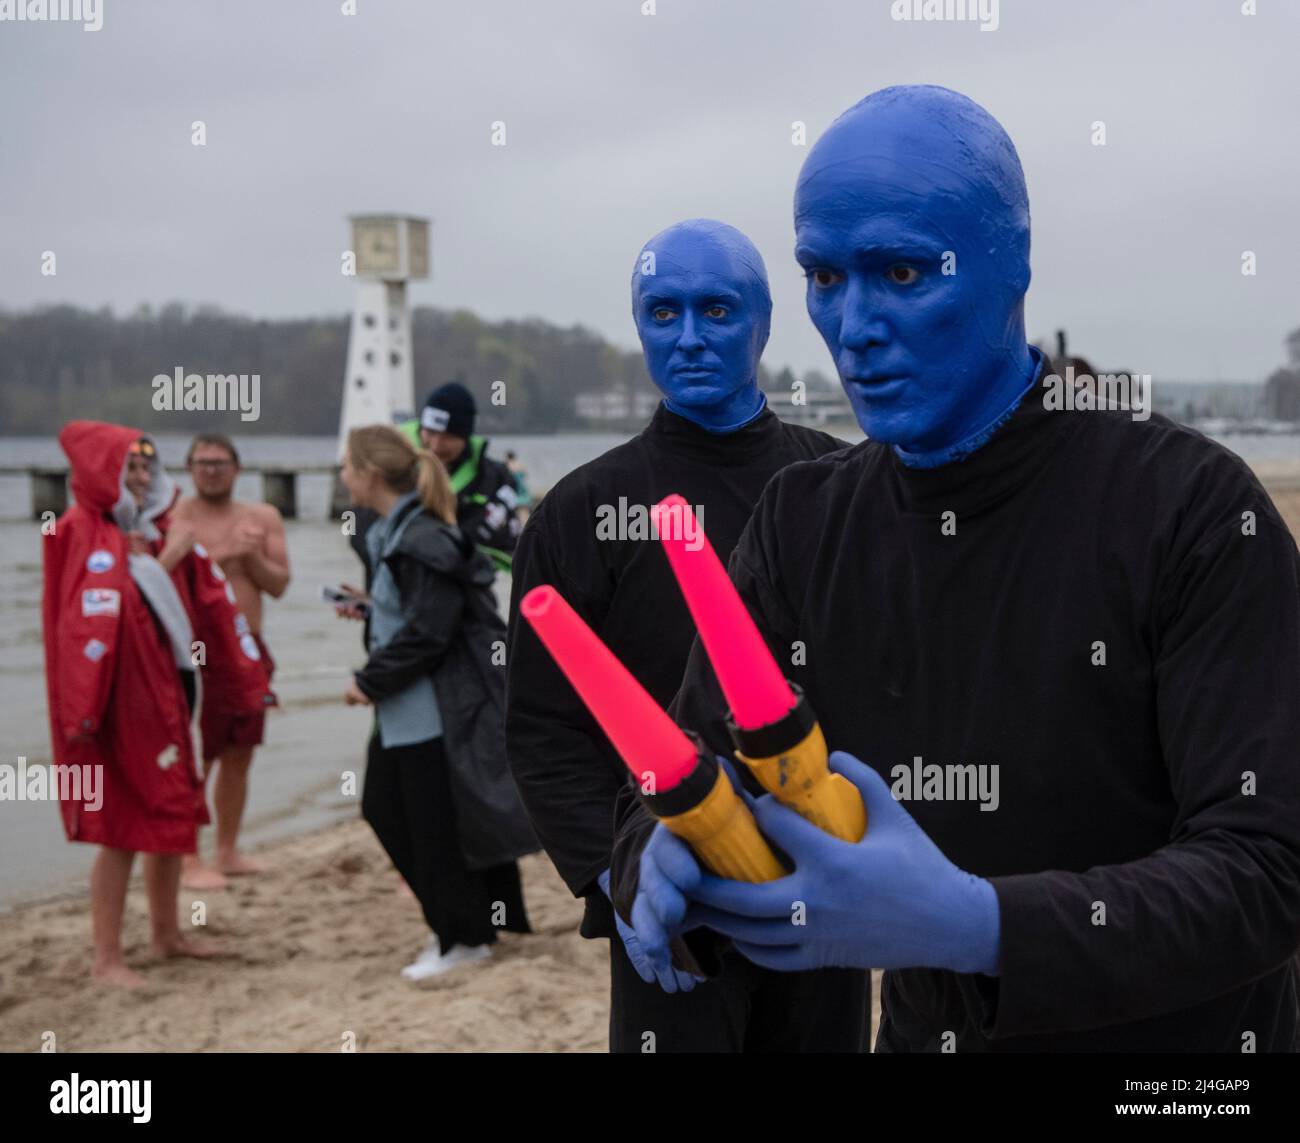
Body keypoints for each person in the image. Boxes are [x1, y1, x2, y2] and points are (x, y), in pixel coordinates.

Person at [616, 86, 1300, 1052]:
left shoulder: (1191, 508)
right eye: (822, 277)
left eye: (900, 272)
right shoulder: (802, 520)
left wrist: (982, 926)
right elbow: (693, 764)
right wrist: (659, 856)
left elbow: (1270, 870)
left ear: (1013, 263)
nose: (852, 326)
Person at [506, 219, 859, 1052]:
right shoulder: (579, 512)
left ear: (764, 323)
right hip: (669, 888)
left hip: (826, 869)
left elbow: (901, 679)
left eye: (717, 309)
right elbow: (542, 728)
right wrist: (617, 881)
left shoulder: (841, 487)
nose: (691, 337)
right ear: (639, 327)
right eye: (664, 314)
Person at [338, 425, 538, 983]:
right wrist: (370, 607)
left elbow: (431, 632)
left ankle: (463, 937)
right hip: (416, 704)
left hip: (431, 705)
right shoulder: (403, 531)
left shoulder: (417, 535)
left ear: (371, 474)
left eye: (347, 467)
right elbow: (421, 610)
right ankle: (474, 925)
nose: (342, 477)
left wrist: (368, 681)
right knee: (415, 811)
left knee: (420, 819)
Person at [42, 422, 217, 987]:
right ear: (102, 473)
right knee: (120, 828)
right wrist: (159, 563)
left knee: (168, 813)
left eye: (147, 468)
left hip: (160, 697)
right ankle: (107, 958)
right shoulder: (78, 531)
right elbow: (84, 628)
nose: (141, 480)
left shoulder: (132, 533)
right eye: (129, 469)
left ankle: (167, 935)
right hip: (116, 710)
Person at [172, 433, 289, 885]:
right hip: (194, 649)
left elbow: (279, 585)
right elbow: (171, 578)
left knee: (239, 753)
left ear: (237, 468)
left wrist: (252, 557)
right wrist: (227, 555)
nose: (211, 471)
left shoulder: (261, 517)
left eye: (220, 463)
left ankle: (227, 850)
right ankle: (185, 857)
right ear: (189, 468)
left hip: (248, 646)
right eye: (202, 463)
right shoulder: (177, 518)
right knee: (194, 755)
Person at [417, 382, 522, 573]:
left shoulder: (495, 479)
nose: (435, 445)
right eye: (430, 433)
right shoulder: (393, 460)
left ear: (465, 438)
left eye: (447, 437)